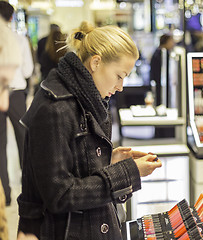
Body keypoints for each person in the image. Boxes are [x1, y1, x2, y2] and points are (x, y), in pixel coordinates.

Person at [17, 21, 162, 239]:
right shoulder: (55, 107)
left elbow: (75, 168)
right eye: (119, 76)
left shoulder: (89, 100)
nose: (121, 86)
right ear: (96, 62)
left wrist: (109, 161)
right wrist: (127, 173)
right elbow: (60, 195)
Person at [0, 1, 34, 207]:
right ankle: (29, 190)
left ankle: (4, 194)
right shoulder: (19, 40)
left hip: (3, 93)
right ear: (12, 17)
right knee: (24, 141)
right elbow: (28, 71)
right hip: (16, 95)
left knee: (0, 145)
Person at [150, 33, 175, 106]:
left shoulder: (158, 52)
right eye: (171, 41)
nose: (173, 43)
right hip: (161, 87)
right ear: (166, 41)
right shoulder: (162, 54)